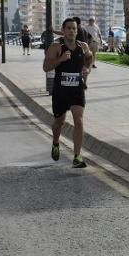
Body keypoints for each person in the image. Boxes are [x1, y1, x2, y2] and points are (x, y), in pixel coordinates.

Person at [42, 18, 94, 168]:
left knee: (79, 120)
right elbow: (46, 67)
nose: (72, 31)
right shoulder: (57, 47)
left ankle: (77, 156)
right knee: (59, 122)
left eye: (74, 28)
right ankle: (56, 142)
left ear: (77, 31)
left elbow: (89, 58)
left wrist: (87, 69)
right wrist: (60, 59)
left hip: (77, 88)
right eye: (69, 28)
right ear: (63, 30)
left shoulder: (82, 46)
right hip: (61, 91)